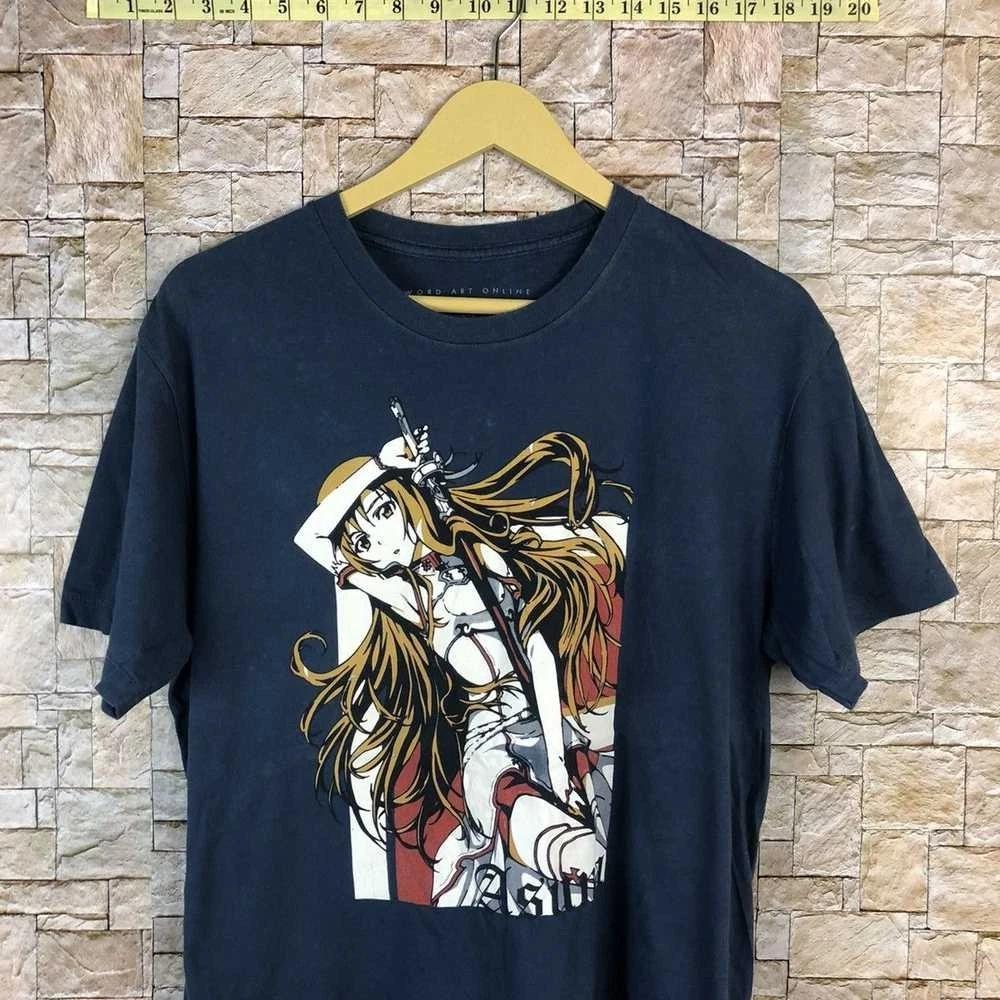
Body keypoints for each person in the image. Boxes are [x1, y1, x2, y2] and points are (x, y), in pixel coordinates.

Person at [290, 419, 631, 916]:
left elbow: (536, 649)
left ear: (408, 503)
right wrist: (383, 465)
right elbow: (313, 537)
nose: (380, 539)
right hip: (487, 730)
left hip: (547, 708)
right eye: (362, 543)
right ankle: (581, 860)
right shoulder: (405, 596)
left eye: (384, 511)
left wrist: (557, 761)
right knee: (506, 796)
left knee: (599, 785)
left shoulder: (478, 554)